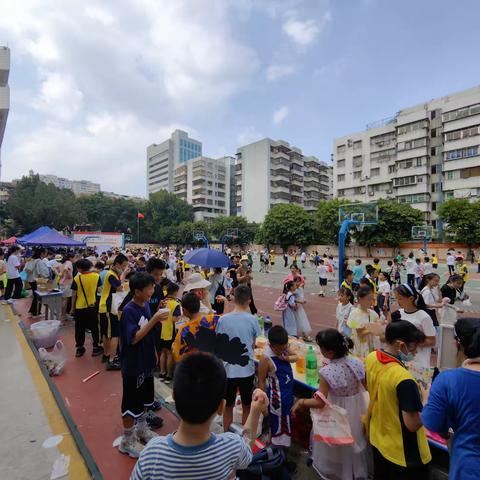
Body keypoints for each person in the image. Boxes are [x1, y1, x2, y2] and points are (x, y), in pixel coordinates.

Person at [131, 353, 268, 479]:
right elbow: (247, 451)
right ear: (221, 407)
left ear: (174, 397)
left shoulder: (152, 453)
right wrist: (255, 411)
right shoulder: (231, 447)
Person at [292, 329, 370, 480]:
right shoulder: (357, 362)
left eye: (321, 348)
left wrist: (301, 402)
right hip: (356, 408)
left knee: (337, 440)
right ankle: (352, 471)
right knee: (354, 438)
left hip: (337, 411)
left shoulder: (327, 371)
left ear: (330, 352)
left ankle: (337, 471)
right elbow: (364, 386)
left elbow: (320, 402)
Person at [365, 321, 431, 479]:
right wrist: (427, 399)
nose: (415, 352)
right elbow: (412, 424)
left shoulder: (372, 357)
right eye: (414, 347)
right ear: (400, 345)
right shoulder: (404, 379)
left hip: (378, 438)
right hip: (403, 452)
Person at [117, 273, 169, 457]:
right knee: (131, 403)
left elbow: (148, 334)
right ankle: (127, 440)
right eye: (149, 288)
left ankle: (141, 429)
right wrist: (155, 318)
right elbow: (133, 338)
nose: (153, 291)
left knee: (146, 399)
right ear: (137, 291)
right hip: (133, 365)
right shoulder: (129, 311)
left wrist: (154, 352)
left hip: (146, 361)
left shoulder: (146, 304)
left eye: (153, 287)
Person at [422, 317, 480, 480]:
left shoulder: (448, 380)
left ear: (457, 343)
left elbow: (432, 422)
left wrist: (426, 399)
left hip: (468, 467)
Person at [215, 284, 261, 432]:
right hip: (246, 370)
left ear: (233, 298)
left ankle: (227, 434)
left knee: (228, 405)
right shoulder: (252, 320)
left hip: (228, 370)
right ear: (249, 301)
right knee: (246, 405)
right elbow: (253, 344)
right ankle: (244, 437)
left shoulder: (223, 320)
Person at [257, 326, 297, 447]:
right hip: (277, 400)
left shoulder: (284, 347)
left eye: (284, 347)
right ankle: (276, 452)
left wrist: (287, 358)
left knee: (286, 422)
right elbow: (261, 382)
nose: (282, 350)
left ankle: (282, 450)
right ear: (271, 345)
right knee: (278, 426)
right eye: (279, 349)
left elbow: (296, 357)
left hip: (288, 394)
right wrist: (263, 405)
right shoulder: (265, 358)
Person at [392, 284, 436, 369]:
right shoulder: (399, 313)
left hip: (418, 361)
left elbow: (432, 341)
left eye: (400, 298)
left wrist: (410, 344)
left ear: (411, 298)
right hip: (400, 359)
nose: (397, 301)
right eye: (396, 298)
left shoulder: (423, 316)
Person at [99, 253, 130, 371]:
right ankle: (112, 360)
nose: (124, 268)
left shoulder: (112, 274)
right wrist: (125, 277)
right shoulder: (111, 274)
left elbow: (118, 283)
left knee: (107, 334)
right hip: (108, 307)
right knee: (114, 334)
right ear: (117, 264)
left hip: (106, 306)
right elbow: (120, 288)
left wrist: (123, 274)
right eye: (124, 266)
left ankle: (106, 355)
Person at [172, 292, 219, 362]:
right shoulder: (213, 320)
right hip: (213, 363)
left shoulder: (184, 330)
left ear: (184, 310)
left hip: (195, 366)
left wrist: (173, 346)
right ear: (199, 306)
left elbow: (177, 356)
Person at [71, 259, 103, 357]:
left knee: (79, 328)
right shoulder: (97, 276)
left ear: (80, 268)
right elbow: (99, 290)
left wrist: (72, 308)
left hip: (80, 307)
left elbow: (74, 295)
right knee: (94, 327)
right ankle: (95, 347)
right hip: (92, 306)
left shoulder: (77, 278)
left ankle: (80, 348)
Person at [346, 286, 381, 359]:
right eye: (369, 299)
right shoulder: (354, 314)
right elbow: (360, 333)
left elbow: (378, 331)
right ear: (360, 299)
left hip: (372, 346)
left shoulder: (373, 314)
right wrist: (374, 327)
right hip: (360, 348)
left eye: (373, 299)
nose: (371, 302)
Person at [159, 282, 181, 384]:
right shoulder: (176, 304)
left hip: (161, 331)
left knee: (162, 352)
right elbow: (176, 320)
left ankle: (162, 373)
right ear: (176, 292)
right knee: (169, 353)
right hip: (170, 331)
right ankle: (168, 375)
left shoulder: (163, 302)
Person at [24, 247, 49, 317]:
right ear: (42, 253)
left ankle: (32, 310)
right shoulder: (39, 261)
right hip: (37, 280)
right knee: (38, 296)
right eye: (45, 252)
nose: (46, 254)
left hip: (31, 280)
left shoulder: (31, 259)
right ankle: (36, 312)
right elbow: (44, 273)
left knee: (35, 296)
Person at [293, 276, 312, 341]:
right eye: (296, 281)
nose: (298, 283)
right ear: (294, 282)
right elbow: (291, 298)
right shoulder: (293, 290)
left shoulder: (300, 289)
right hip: (295, 307)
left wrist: (303, 300)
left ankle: (304, 335)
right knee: (297, 321)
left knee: (301, 320)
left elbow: (301, 296)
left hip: (300, 307)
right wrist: (299, 301)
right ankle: (302, 335)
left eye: (299, 281)